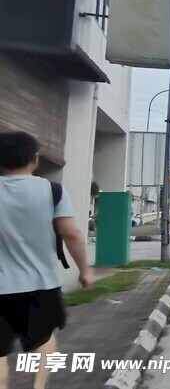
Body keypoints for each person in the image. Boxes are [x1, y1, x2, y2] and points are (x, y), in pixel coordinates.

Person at [0, 131, 93, 389]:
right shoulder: (52, 191)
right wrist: (84, 270)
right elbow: (71, 233)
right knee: (43, 341)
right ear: (35, 159)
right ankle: (38, 387)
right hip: (40, 285)